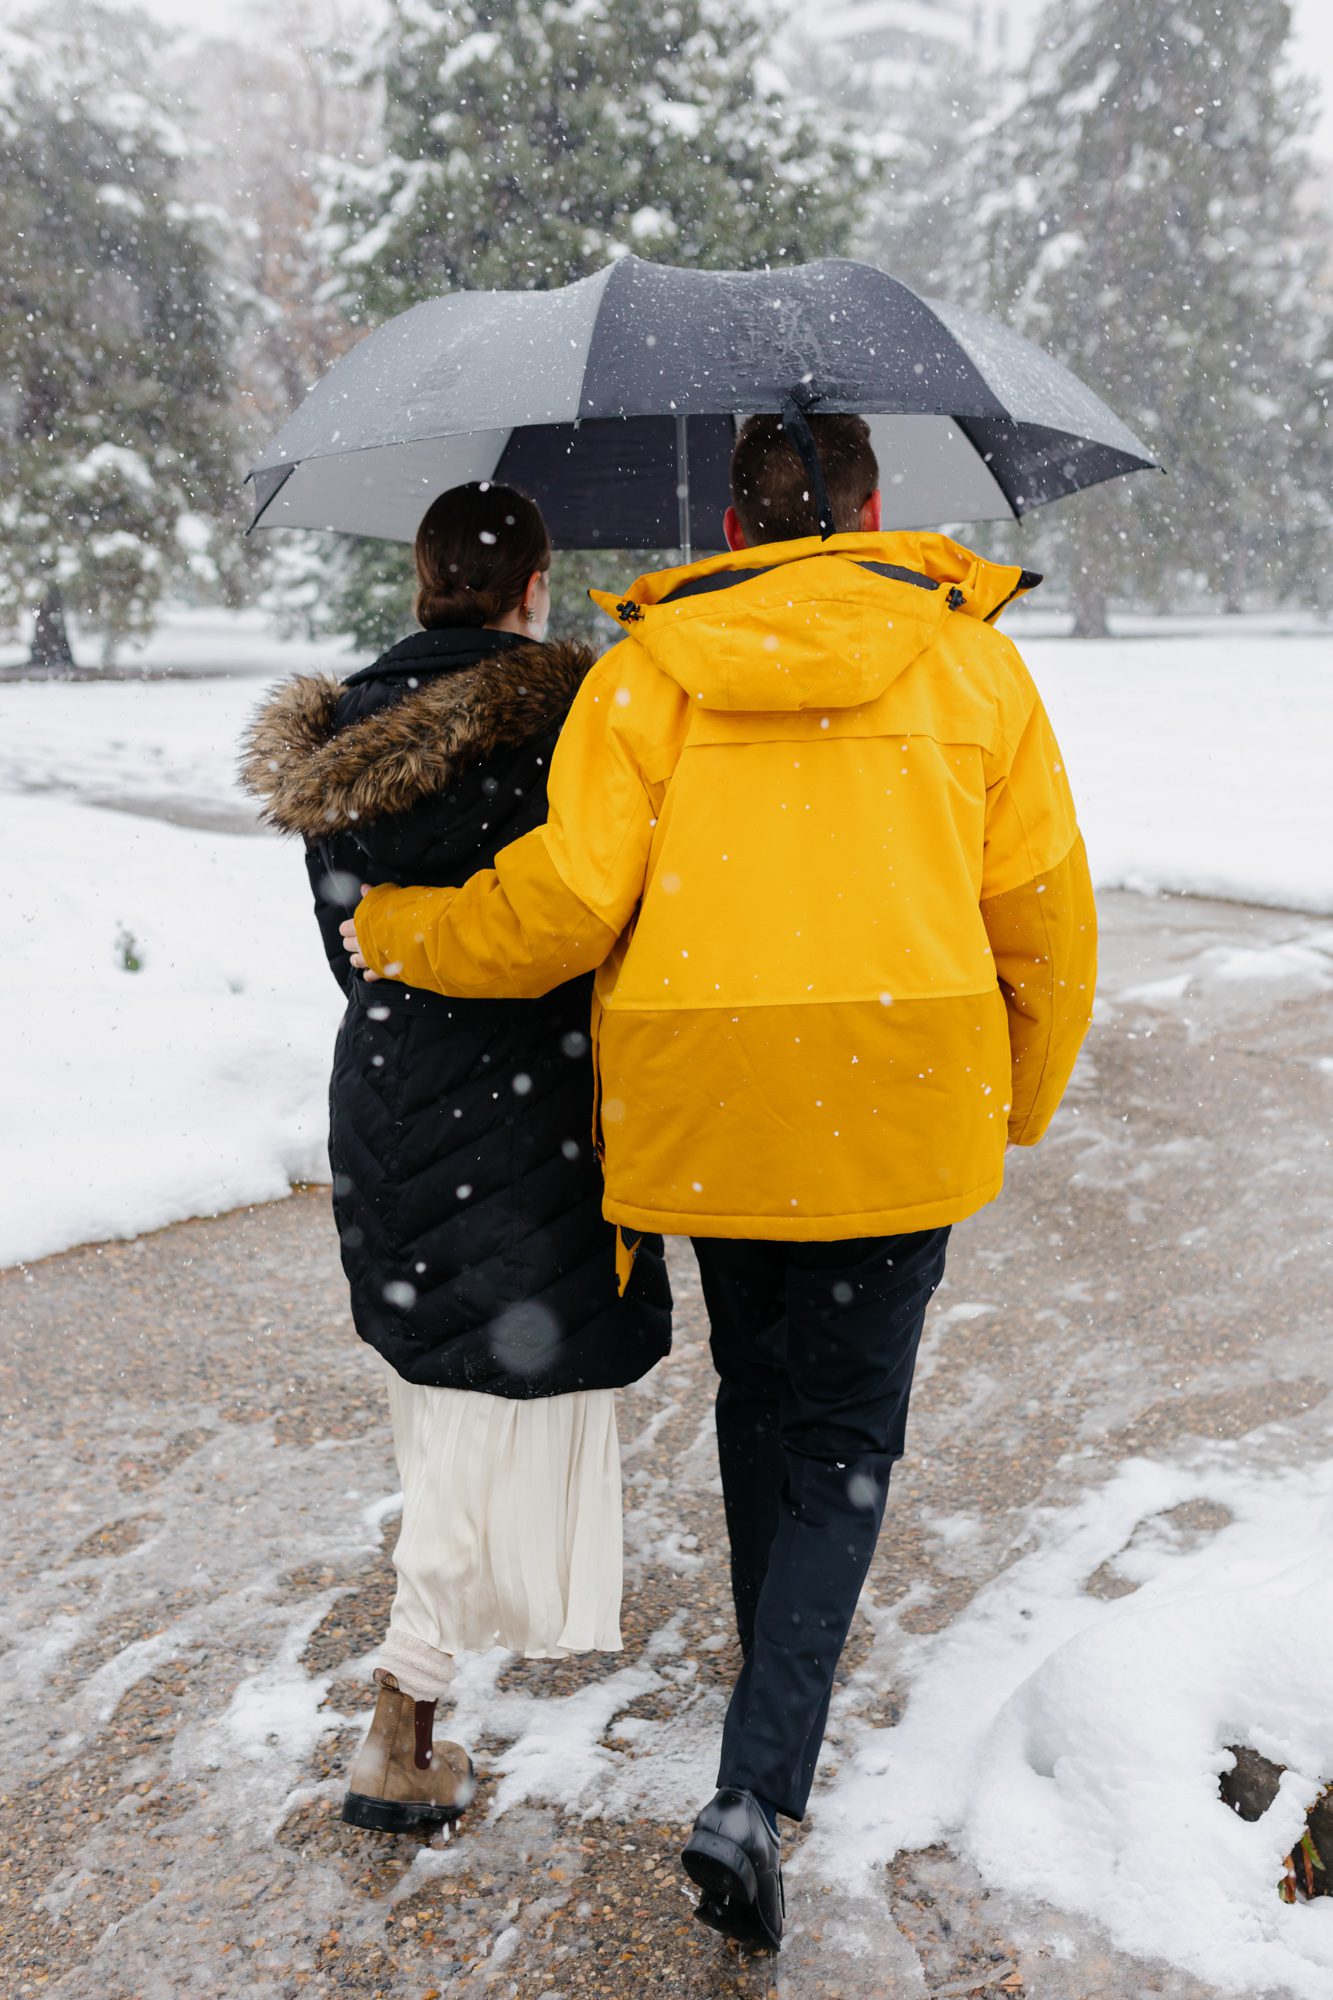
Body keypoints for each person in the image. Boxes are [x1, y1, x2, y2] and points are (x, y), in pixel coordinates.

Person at [339, 417, 1096, 1942]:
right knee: (842, 1438)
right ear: (875, 506)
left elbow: (561, 902)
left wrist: (405, 938)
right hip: (898, 1099)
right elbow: (1041, 918)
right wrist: (1011, 1096)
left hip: (709, 1108)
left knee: (764, 1398)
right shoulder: (974, 670)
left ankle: (772, 1686)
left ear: (734, 525)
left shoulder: (649, 674)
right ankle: (761, 1777)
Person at [240, 481, 671, 1835]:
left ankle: (421, 1694)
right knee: (496, 1399)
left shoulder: (342, 746)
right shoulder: (573, 726)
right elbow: (601, 915)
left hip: (386, 1091)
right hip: (536, 1103)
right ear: (533, 584)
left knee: (444, 1388)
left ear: (421, 579)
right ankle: (405, 1711)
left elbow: (354, 950)